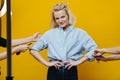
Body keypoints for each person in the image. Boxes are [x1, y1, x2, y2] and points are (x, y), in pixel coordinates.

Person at [30, 3, 97, 80]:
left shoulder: (80, 33)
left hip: (71, 71)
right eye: (57, 18)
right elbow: (33, 50)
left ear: (68, 16)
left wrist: (78, 62)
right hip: (53, 72)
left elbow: (94, 49)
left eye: (63, 17)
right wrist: (46, 63)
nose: (60, 21)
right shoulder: (49, 34)